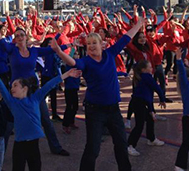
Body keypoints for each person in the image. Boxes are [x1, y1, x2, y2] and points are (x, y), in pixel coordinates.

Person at [56, 18, 143, 171]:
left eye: (93, 43)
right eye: (88, 44)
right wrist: (58, 52)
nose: (91, 46)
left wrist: (138, 24)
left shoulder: (110, 53)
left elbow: (126, 38)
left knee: (122, 144)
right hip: (95, 110)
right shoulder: (86, 62)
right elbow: (73, 63)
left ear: (101, 44)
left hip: (113, 110)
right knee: (93, 148)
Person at [0, 54, 81, 171]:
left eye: (15, 85)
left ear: (25, 88)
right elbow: (1, 87)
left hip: (33, 144)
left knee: (35, 167)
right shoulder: (12, 102)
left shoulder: (35, 98)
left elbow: (49, 85)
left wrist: (66, 75)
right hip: (19, 144)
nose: (12, 88)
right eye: (11, 86)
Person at [127, 60, 166, 156]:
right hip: (140, 103)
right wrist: (162, 99)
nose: (152, 68)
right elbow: (157, 88)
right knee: (139, 125)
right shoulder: (147, 77)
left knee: (150, 120)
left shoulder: (140, 77)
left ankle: (151, 138)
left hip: (139, 102)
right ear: (144, 70)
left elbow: (148, 95)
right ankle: (130, 145)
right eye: (150, 67)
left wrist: (151, 110)